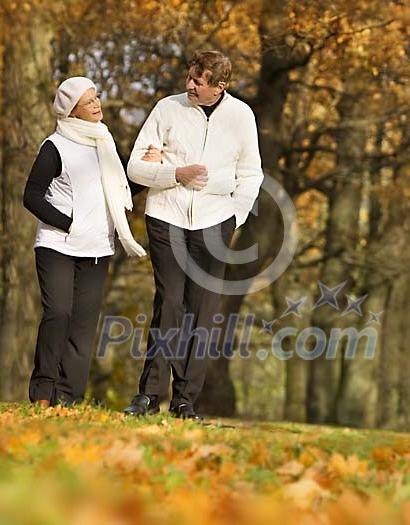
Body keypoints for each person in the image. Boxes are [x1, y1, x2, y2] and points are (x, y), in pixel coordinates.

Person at [124, 50, 264, 420]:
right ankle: (149, 396)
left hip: (216, 221)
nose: (189, 85)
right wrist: (174, 174)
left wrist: (234, 218)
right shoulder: (166, 109)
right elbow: (135, 167)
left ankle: (185, 401)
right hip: (165, 215)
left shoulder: (241, 116)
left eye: (198, 82)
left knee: (202, 312)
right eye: (189, 77)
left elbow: (251, 175)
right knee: (169, 302)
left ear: (219, 86)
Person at [23, 76, 147, 407]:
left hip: (97, 249)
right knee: (58, 314)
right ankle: (43, 393)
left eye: (97, 97)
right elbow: (31, 196)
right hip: (57, 245)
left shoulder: (105, 142)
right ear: (72, 111)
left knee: (82, 327)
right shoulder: (55, 146)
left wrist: (148, 172)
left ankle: (69, 398)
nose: (97, 105)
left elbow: (121, 192)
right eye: (88, 101)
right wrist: (68, 223)